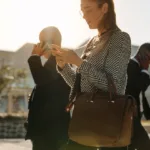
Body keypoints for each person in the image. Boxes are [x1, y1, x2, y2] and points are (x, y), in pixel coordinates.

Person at [50, 0, 131, 150]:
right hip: (85, 126)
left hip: (107, 128)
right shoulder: (92, 41)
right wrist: (64, 66)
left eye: (87, 9)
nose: (84, 16)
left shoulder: (120, 38)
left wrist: (79, 62)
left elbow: (112, 85)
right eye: (82, 11)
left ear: (104, 8)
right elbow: (80, 86)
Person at [25, 26, 70, 150]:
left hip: (51, 130)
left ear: (50, 43)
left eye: (41, 41)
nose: (38, 44)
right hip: (48, 130)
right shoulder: (53, 60)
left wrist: (34, 57)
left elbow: (41, 79)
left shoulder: (58, 59)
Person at [126, 43, 150, 150]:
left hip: (135, 114)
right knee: (145, 144)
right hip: (128, 114)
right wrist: (145, 69)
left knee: (130, 144)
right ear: (143, 55)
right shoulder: (130, 65)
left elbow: (143, 90)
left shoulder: (138, 68)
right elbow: (137, 86)